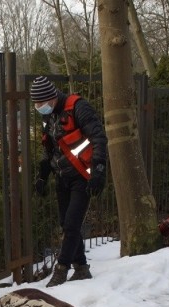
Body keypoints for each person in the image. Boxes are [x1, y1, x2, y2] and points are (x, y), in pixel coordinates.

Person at [31, 76, 108, 287]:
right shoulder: (50, 118)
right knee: (66, 223)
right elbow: (51, 150)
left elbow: (99, 137)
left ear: (52, 98)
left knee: (72, 224)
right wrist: (42, 176)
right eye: (36, 104)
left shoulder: (78, 107)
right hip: (62, 177)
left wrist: (99, 170)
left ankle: (61, 269)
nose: (39, 108)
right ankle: (81, 267)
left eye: (41, 103)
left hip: (83, 176)